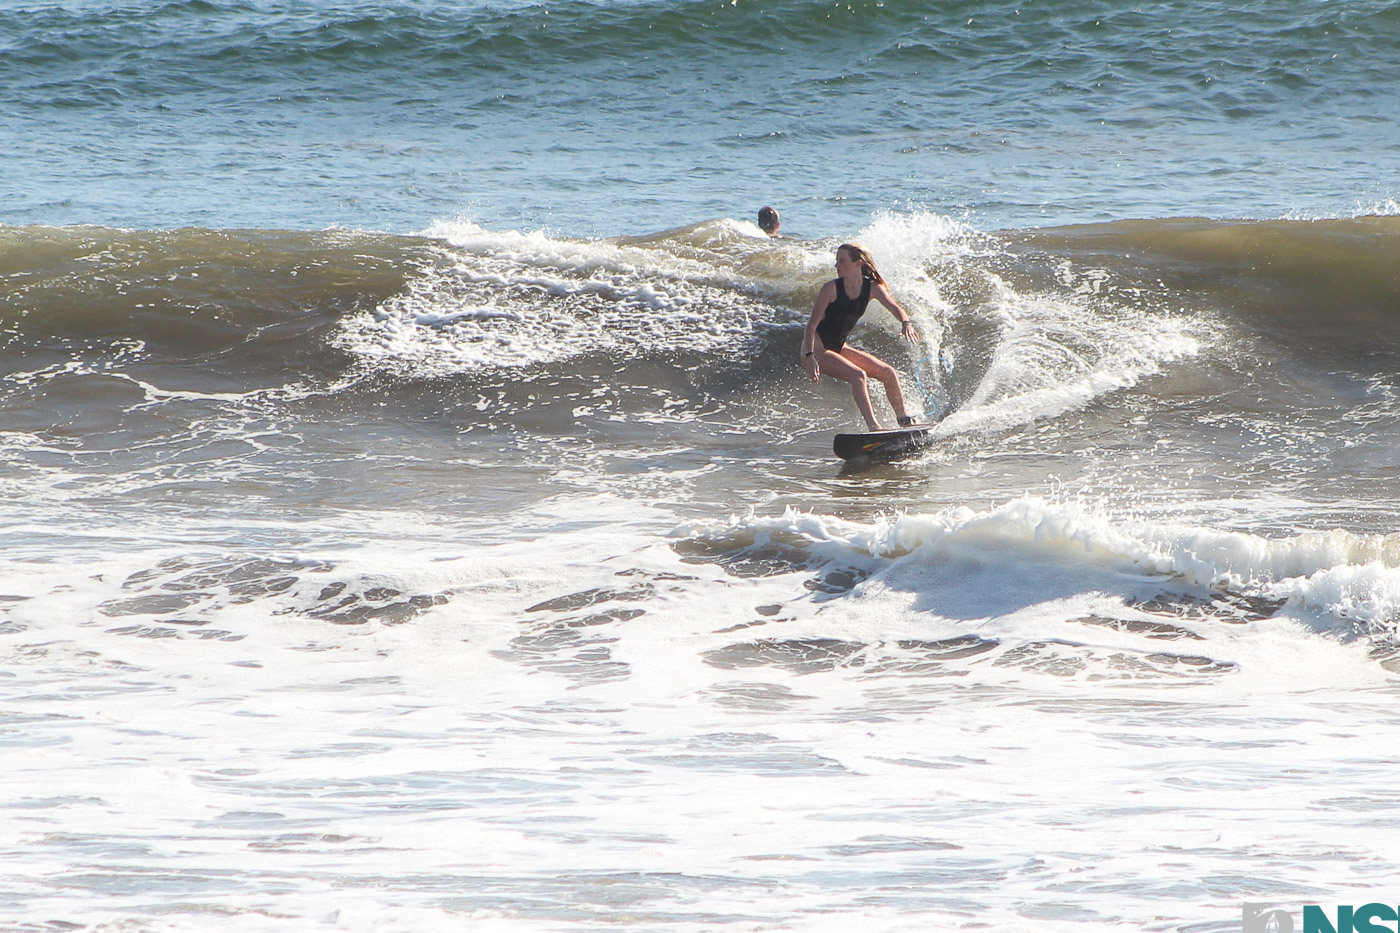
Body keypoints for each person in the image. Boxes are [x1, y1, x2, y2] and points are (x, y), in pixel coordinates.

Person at [801, 243, 920, 431]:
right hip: (816, 349)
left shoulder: (872, 288)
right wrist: (809, 356)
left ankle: (904, 420)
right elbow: (811, 326)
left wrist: (906, 322)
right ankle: (874, 427)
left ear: (858, 263)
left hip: (839, 347)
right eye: (836, 261)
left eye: (841, 261)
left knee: (888, 372)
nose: (836, 265)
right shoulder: (830, 289)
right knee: (858, 375)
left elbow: (895, 308)